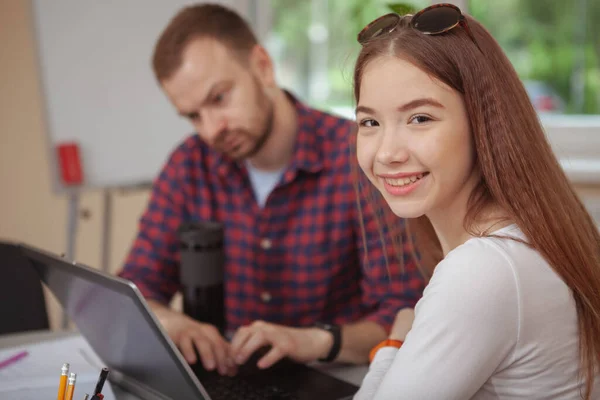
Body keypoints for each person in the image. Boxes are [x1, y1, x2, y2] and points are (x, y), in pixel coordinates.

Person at [117, 3, 425, 377]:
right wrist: (169, 322)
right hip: (231, 377)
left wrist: (314, 340)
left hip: (334, 377)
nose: (211, 129)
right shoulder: (189, 165)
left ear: (262, 66)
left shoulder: (356, 158)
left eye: (219, 99)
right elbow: (134, 287)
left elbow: (402, 312)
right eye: (194, 116)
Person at [351, 4, 600, 400]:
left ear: (482, 123)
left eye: (420, 119)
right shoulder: (522, 236)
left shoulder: (482, 271)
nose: (386, 153)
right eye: (370, 123)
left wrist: (393, 347)